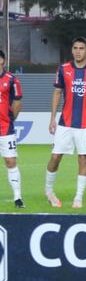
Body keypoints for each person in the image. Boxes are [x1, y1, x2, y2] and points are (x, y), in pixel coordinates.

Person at [45, 37, 86, 208]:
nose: (78, 51)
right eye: (75, 48)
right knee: (56, 157)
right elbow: (57, 93)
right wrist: (52, 118)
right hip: (65, 122)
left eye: (81, 48)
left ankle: (78, 197)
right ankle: (48, 191)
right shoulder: (63, 69)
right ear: (72, 50)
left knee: (83, 159)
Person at [0, 50, 24, 208]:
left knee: (10, 161)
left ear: (3, 60)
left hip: (5, 128)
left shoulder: (11, 80)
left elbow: (17, 102)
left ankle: (17, 197)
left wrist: (10, 118)